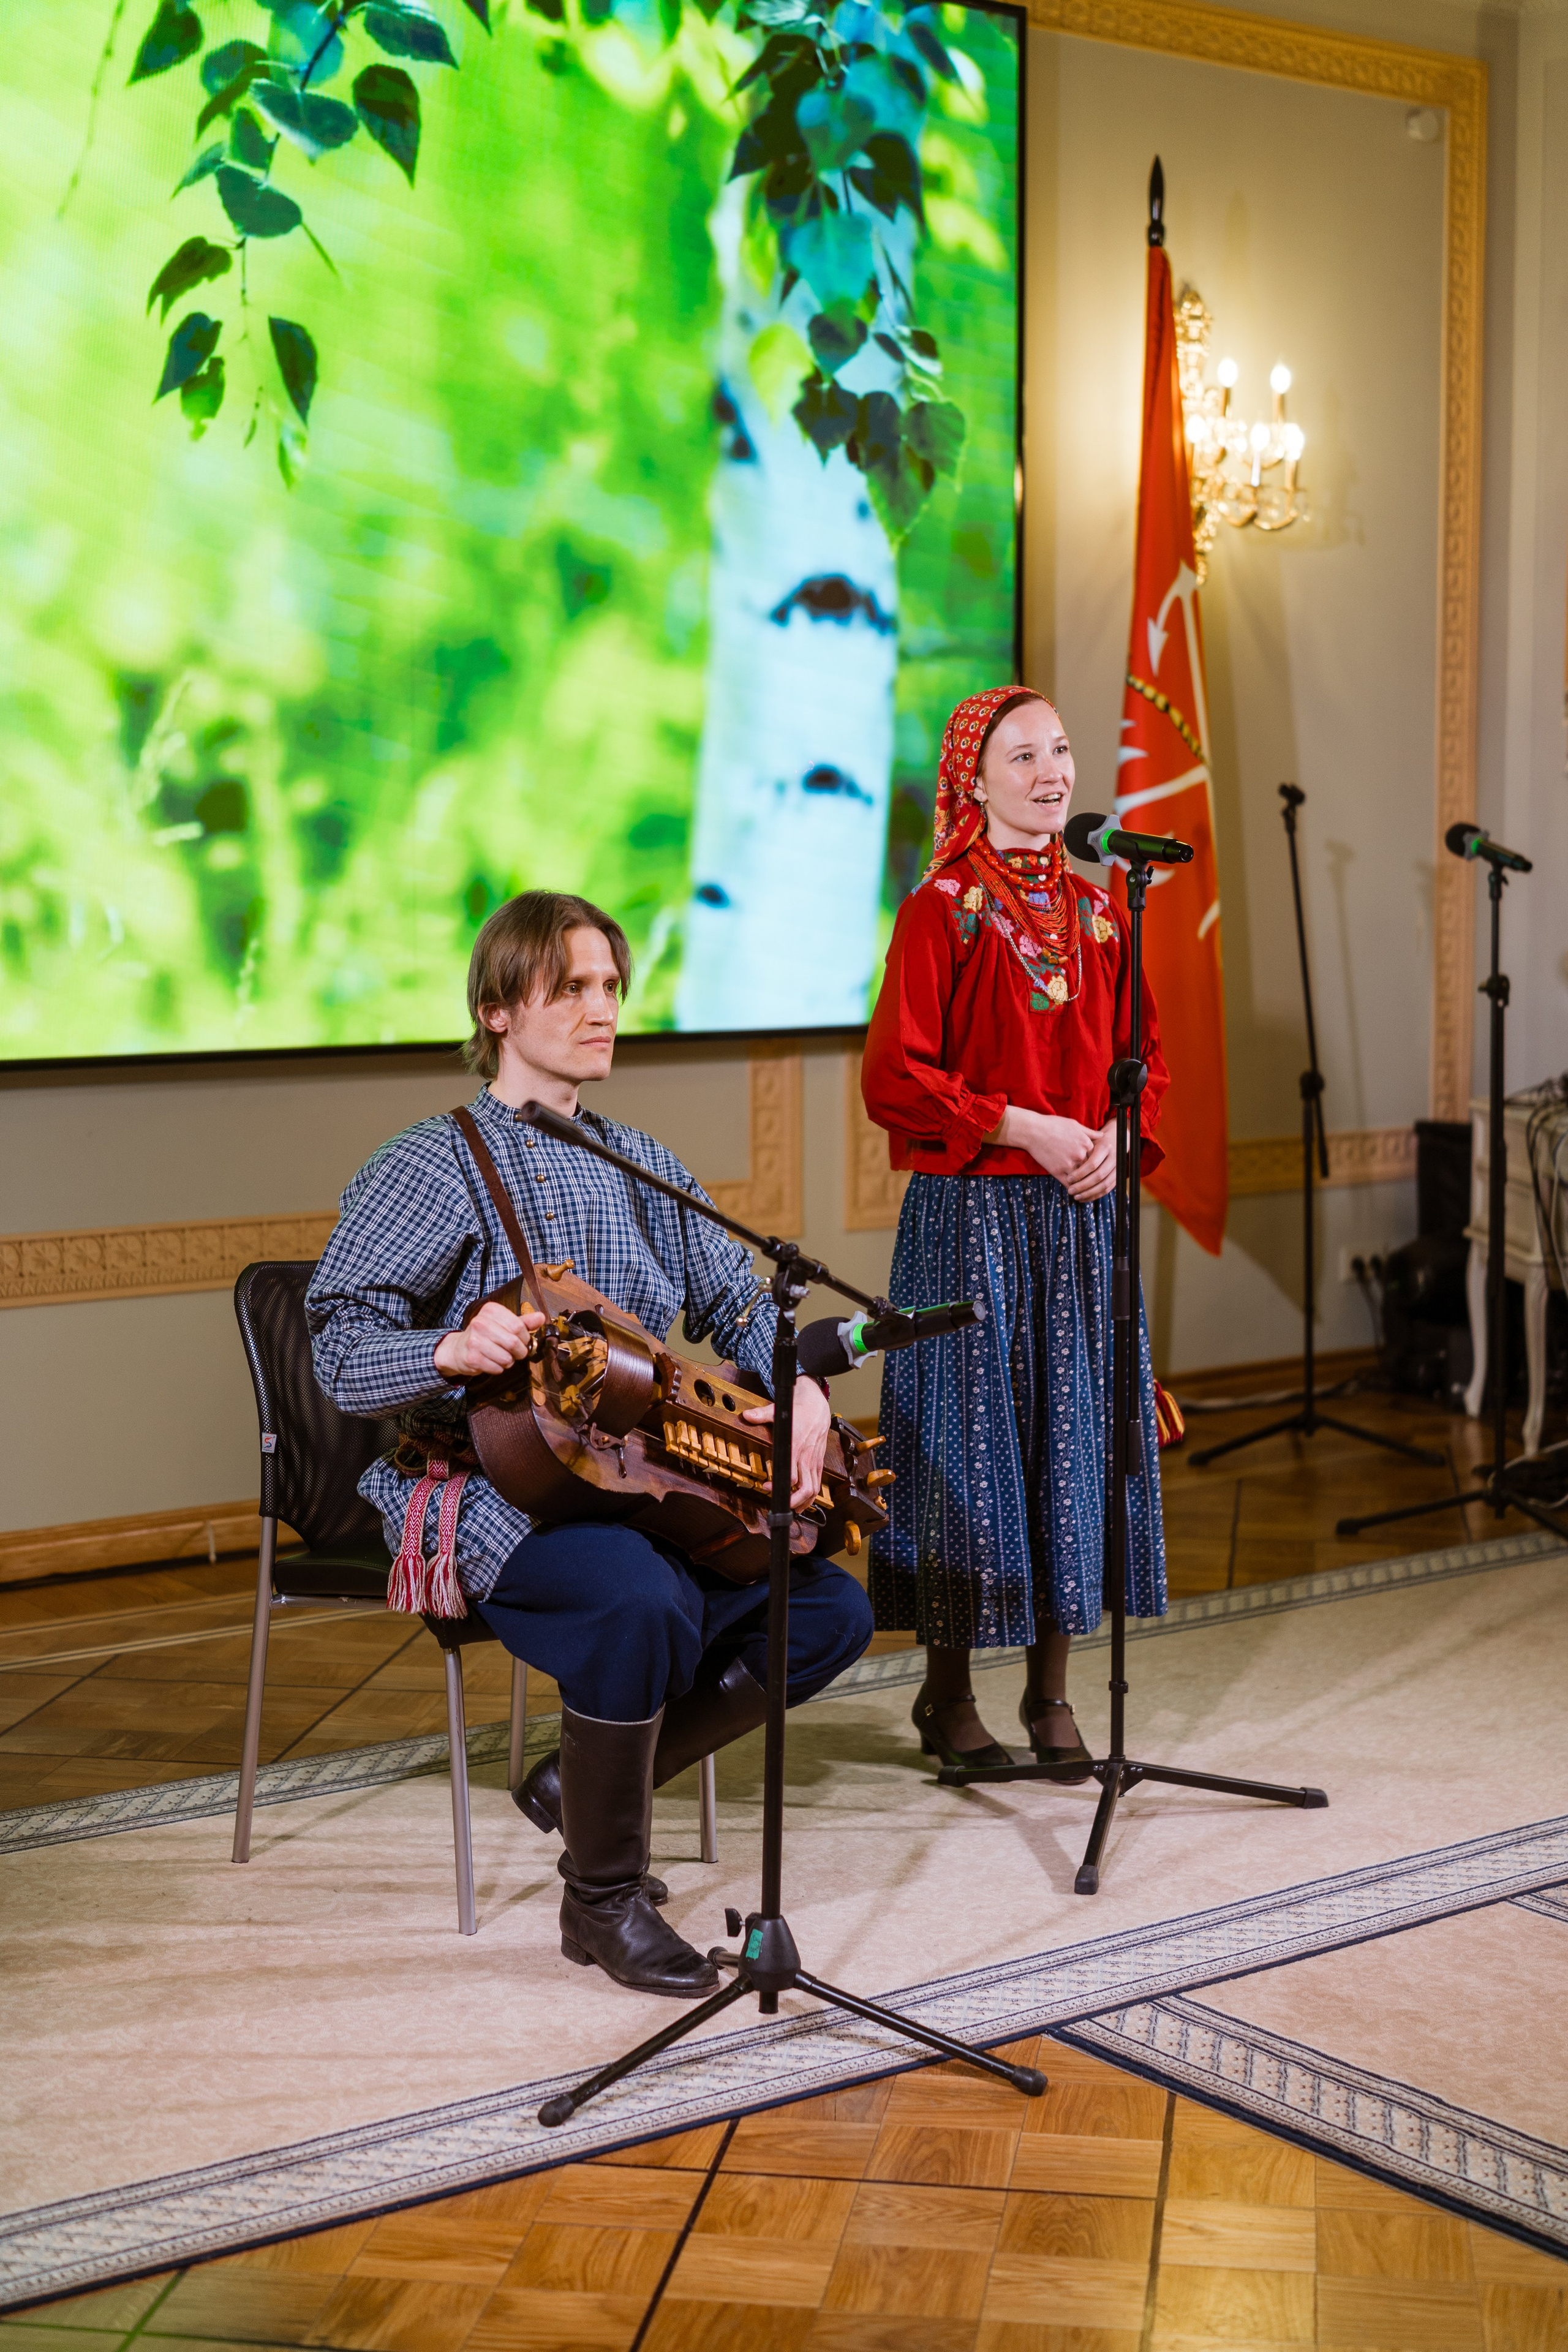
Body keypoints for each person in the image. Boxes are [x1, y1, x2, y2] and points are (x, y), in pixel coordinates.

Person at [307, 891, 872, 1999]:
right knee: (636, 1603)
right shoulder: (429, 1164)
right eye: (571, 986)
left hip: (633, 1481)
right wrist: (449, 1348)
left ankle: (581, 1785)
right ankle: (601, 1901)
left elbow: (737, 1304)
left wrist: (799, 1388)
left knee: (830, 1609)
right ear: (497, 1011)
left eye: (611, 984)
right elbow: (338, 1347)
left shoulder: (640, 1162)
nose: (602, 1006)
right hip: (485, 1493)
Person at [860, 688, 1169, 1771]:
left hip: (1080, 1221)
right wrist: (1026, 1126)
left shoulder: (1102, 910)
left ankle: (1052, 1696)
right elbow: (898, 1078)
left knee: (1071, 1443)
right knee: (967, 1451)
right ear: (973, 779)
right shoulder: (940, 909)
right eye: (1024, 754)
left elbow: (1149, 1064)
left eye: (1063, 750)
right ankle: (947, 1698)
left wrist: (1119, 1142)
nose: (1053, 772)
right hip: (972, 1218)